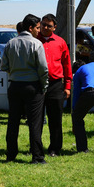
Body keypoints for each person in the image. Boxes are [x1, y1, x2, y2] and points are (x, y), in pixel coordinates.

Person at [1, 14, 49, 164]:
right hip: (32, 86)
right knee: (35, 123)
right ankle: (37, 157)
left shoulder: (10, 43)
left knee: (13, 121)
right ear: (30, 28)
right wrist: (44, 85)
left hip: (14, 85)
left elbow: (4, 66)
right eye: (37, 28)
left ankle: (11, 154)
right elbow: (43, 68)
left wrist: (16, 73)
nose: (38, 31)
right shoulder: (36, 44)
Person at [36, 14, 72, 156]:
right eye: (43, 24)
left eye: (49, 25)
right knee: (36, 119)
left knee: (55, 118)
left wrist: (67, 86)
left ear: (54, 27)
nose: (45, 27)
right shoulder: (34, 40)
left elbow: (67, 65)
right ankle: (36, 147)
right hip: (37, 84)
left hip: (55, 84)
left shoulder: (60, 42)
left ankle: (55, 148)